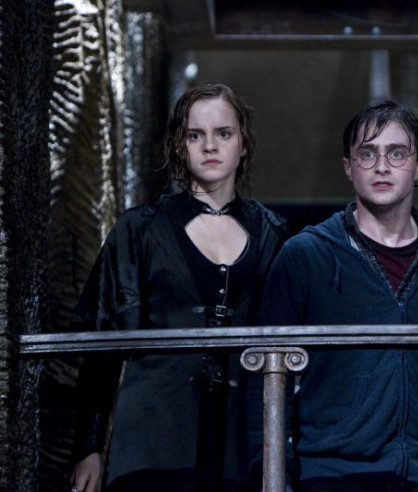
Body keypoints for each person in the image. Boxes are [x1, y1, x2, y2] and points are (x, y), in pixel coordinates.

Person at [69, 83, 288, 492]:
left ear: (243, 144)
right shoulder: (139, 229)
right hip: (153, 437)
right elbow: (102, 344)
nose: (210, 146)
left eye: (224, 133)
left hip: (239, 446)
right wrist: (89, 447)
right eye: (195, 135)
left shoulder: (273, 234)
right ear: (179, 146)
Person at [258, 100, 418, 491]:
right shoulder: (307, 255)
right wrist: (270, 469)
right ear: (348, 167)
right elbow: (266, 374)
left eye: (397, 154)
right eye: (367, 154)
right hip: (327, 476)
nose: (382, 166)